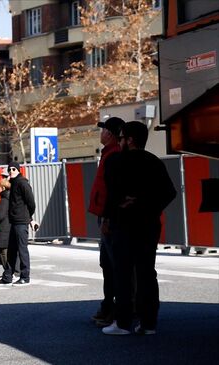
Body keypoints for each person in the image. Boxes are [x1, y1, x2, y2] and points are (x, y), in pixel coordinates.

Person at [102, 121, 176, 336]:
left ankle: (123, 322)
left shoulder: (115, 161)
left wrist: (114, 211)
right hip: (148, 223)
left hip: (123, 223)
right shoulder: (153, 162)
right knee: (146, 272)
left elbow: (111, 191)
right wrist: (146, 204)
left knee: (123, 273)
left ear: (130, 139)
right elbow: (169, 192)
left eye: (122, 137)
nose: (120, 140)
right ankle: (148, 323)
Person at [89, 116, 125, 327]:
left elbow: (112, 191)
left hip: (110, 217)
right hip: (106, 215)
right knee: (108, 264)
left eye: (103, 130)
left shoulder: (113, 156)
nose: (100, 133)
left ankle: (115, 310)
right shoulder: (109, 154)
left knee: (113, 265)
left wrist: (108, 218)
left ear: (110, 134)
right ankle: (109, 306)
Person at [0, 162, 36, 286]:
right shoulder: (14, 183)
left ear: (18, 170)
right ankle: (8, 276)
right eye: (9, 169)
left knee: (22, 249)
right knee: (11, 250)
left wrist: (28, 217)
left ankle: (25, 276)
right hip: (13, 221)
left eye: (14, 169)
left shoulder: (22, 183)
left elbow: (31, 203)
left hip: (21, 221)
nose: (11, 171)